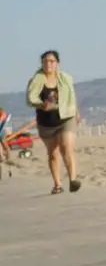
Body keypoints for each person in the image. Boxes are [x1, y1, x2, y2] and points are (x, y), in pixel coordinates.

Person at [26, 50, 82, 194]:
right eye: (45, 61)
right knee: (53, 153)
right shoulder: (35, 80)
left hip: (65, 118)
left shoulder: (66, 78)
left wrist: (76, 111)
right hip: (46, 122)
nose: (48, 64)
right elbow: (30, 100)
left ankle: (73, 180)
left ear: (57, 63)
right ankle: (57, 184)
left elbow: (71, 96)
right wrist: (40, 104)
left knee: (66, 147)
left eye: (51, 61)